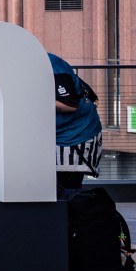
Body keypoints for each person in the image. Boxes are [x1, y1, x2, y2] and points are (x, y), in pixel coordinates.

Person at [52, 52, 102, 195]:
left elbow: (69, 104)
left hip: (76, 134)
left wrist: (34, 100)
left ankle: (69, 215)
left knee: (66, 189)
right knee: (61, 188)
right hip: (62, 133)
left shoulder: (53, 65)